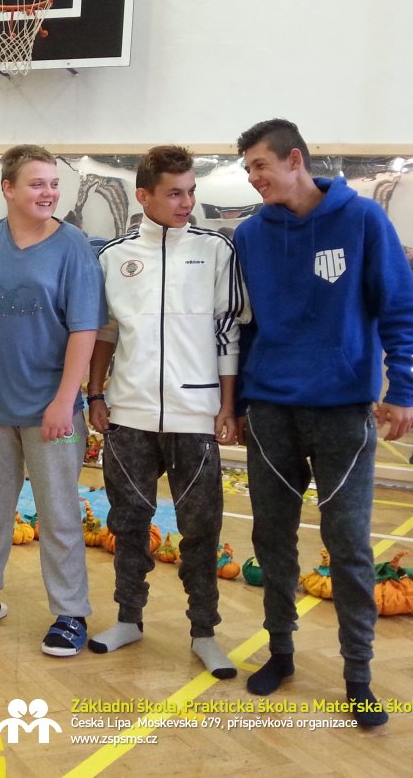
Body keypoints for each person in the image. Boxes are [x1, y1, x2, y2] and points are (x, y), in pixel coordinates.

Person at [233, 118, 413, 727]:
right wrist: (237, 405)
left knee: (348, 546)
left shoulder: (363, 220)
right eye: (247, 169)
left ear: (295, 159)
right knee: (271, 539)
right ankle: (281, 652)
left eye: (261, 165)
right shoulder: (250, 234)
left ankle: (358, 676)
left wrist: (404, 389)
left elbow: (404, 311)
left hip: (342, 413)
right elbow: (241, 327)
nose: (253, 178)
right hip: (270, 411)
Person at [86, 145, 250, 677]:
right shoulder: (113, 256)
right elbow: (105, 332)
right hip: (128, 417)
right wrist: (96, 394)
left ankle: (204, 633)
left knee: (201, 530)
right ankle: (128, 619)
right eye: (175, 193)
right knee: (128, 523)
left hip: (195, 416)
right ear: (144, 195)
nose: (186, 203)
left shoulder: (216, 250)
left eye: (191, 192)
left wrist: (227, 405)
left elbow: (228, 333)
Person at [0, 145, 105, 656]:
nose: (48, 193)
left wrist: (65, 400)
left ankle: (70, 612)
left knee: (58, 514)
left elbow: (85, 329)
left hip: (50, 409)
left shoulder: (73, 246)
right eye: (37, 184)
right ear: (8, 189)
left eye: (54, 184)